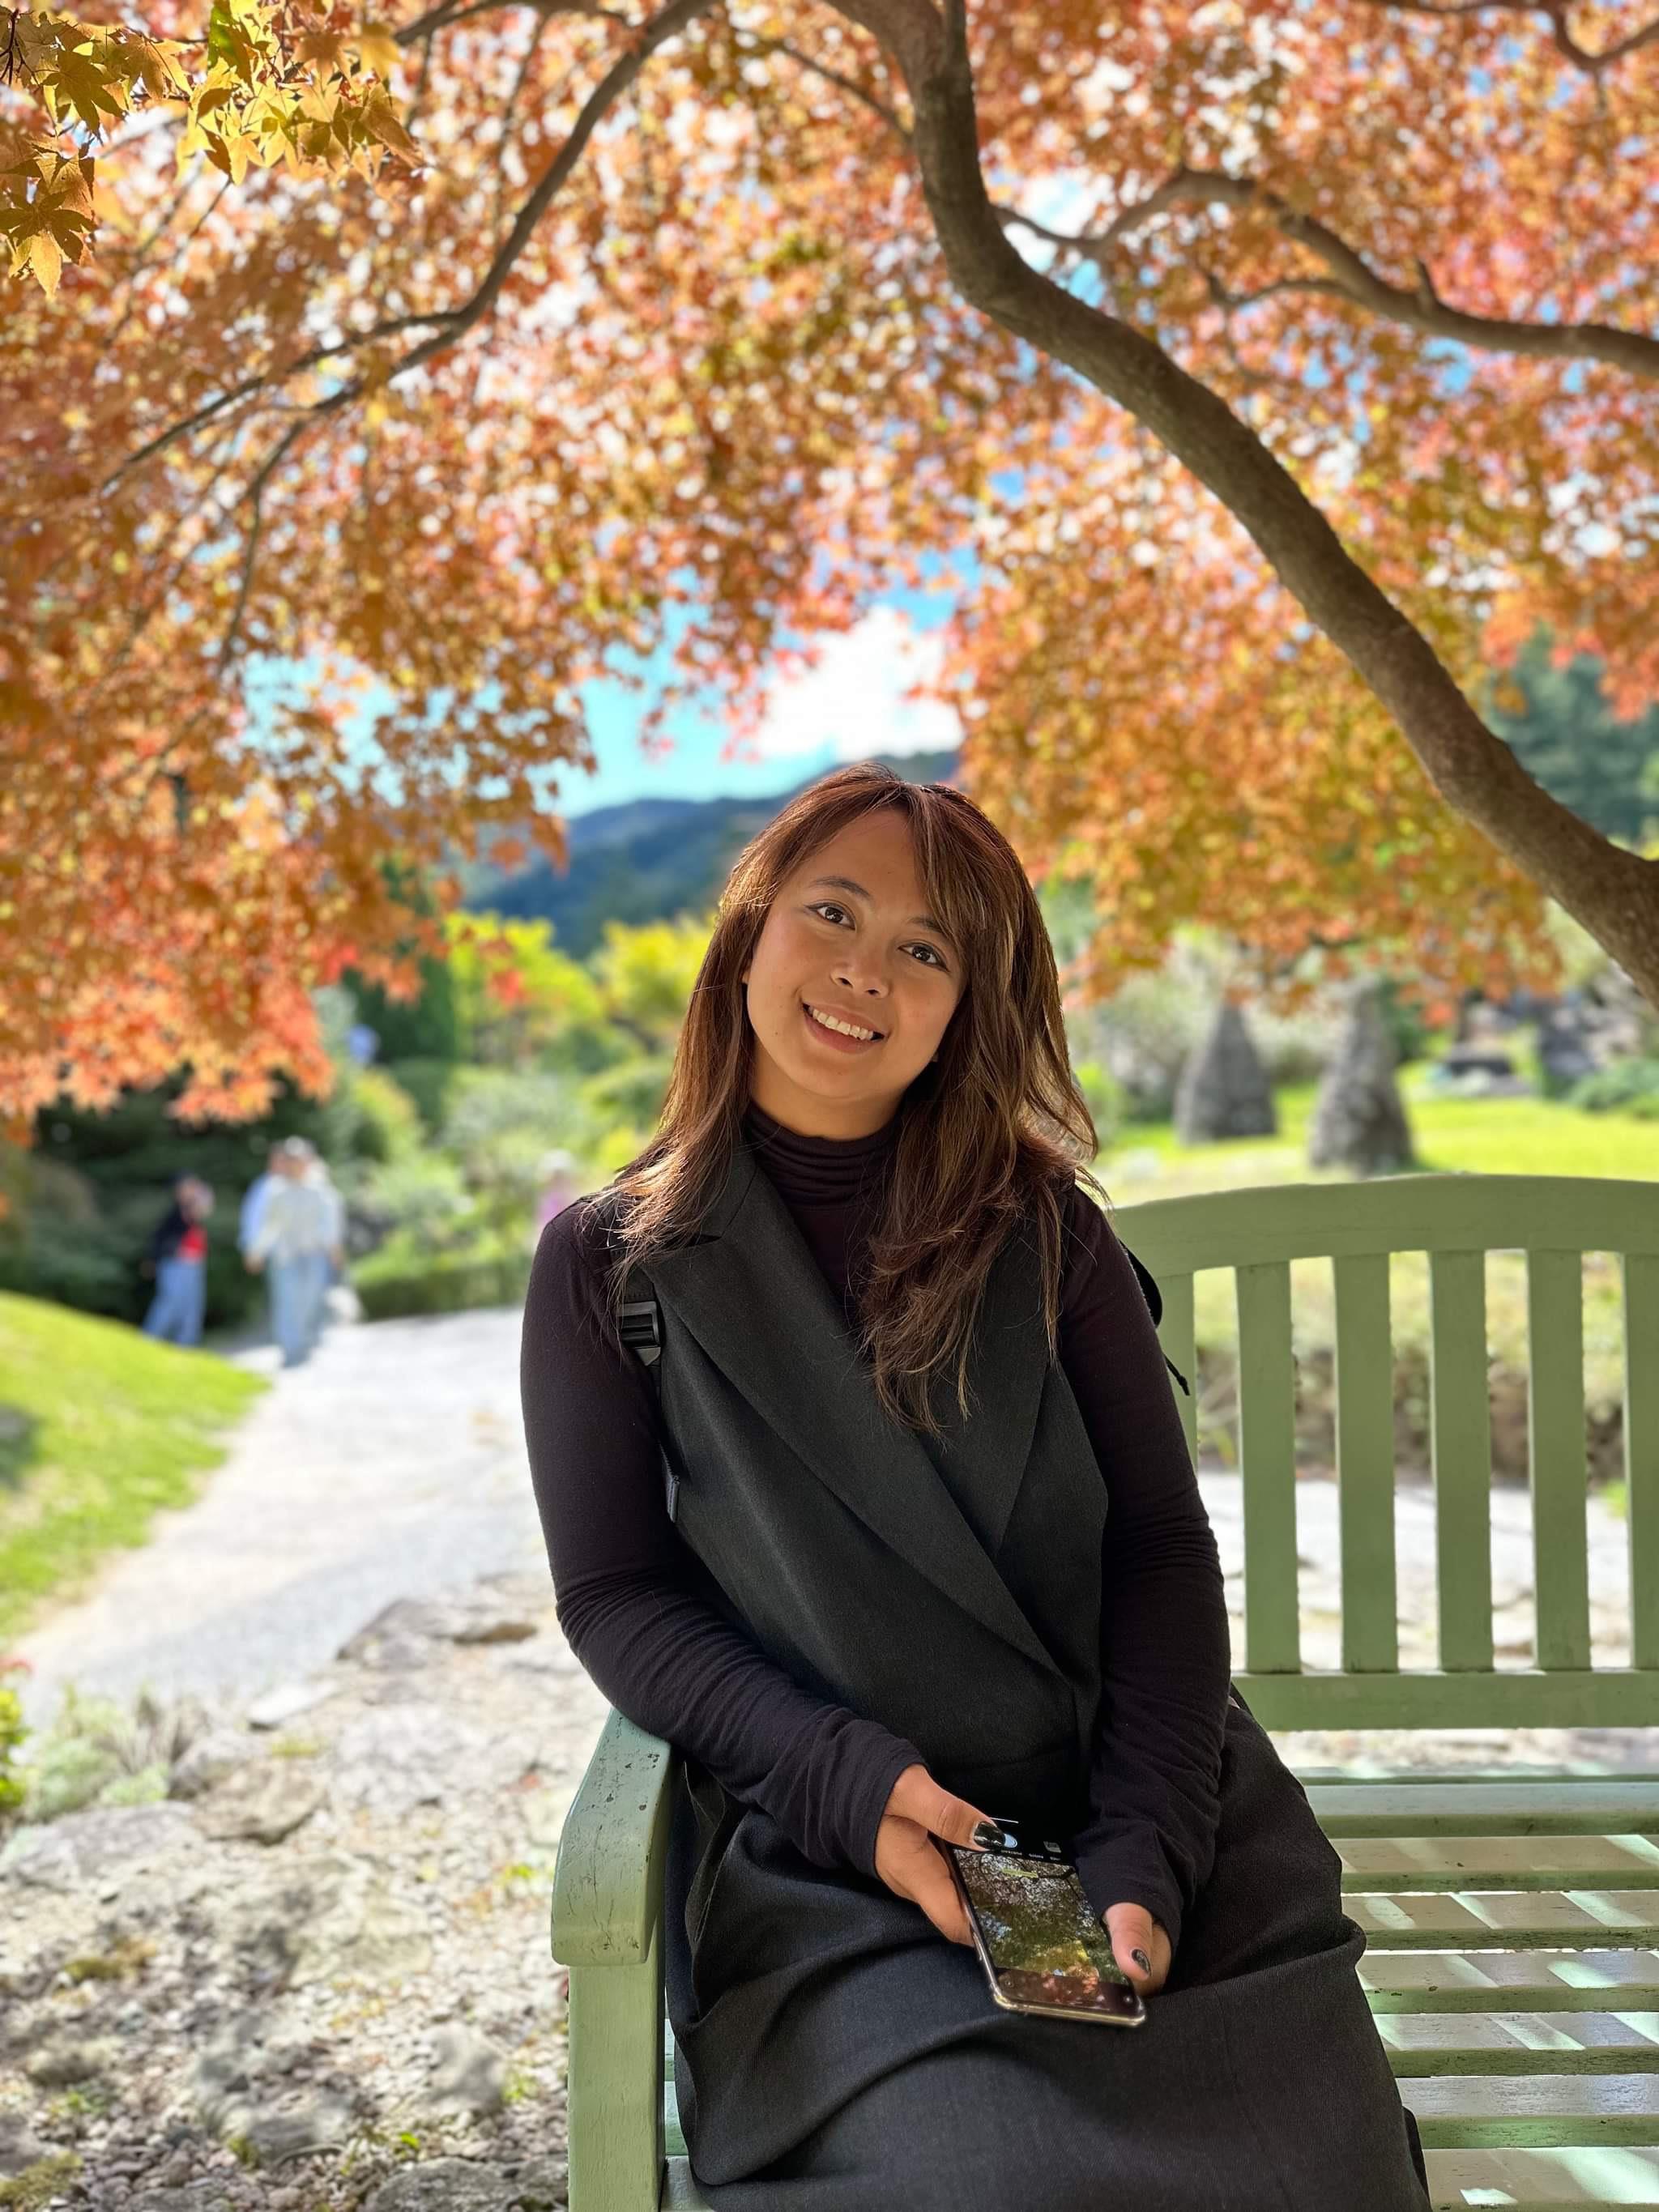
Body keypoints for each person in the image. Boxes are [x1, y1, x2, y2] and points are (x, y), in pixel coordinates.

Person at [519, 764, 1432, 2210]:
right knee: (987, 2176)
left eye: (925, 948)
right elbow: (617, 1596)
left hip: (1134, 1789)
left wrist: (1146, 1840)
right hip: (831, 1851)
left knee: (1313, 2172)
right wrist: (843, 1779)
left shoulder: (1048, 1235)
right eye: (832, 912)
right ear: (750, 930)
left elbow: (1158, 1549)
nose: (862, 971)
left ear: (967, 1005)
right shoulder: (610, 1266)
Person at [245, 1140, 336, 1366]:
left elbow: (328, 1222)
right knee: (287, 1302)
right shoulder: (276, 1191)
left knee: (310, 1299)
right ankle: (291, 1349)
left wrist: (333, 1247)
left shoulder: (318, 1189)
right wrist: (256, 1251)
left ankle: (305, 1341)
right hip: (286, 1256)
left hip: (313, 1253)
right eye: (292, 1161)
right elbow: (270, 1225)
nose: (296, 1165)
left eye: (300, 1160)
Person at [141, 1174, 214, 1348]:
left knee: (192, 1308)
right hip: (175, 1264)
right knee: (170, 1303)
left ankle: (186, 1346)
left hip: (194, 1264)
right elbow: (160, 1240)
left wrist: (199, 1190)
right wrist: (151, 1260)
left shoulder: (193, 1208)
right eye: (186, 1188)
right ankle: (149, 1338)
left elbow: (206, 1204)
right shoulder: (176, 1213)